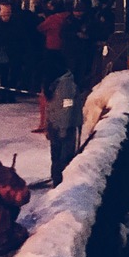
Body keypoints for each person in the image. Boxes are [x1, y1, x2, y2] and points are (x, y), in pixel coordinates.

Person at [43, 54, 79, 186]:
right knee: (55, 156)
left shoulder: (66, 84)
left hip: (65, 126)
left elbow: (67, 107)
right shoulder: (52, 81)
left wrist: (64, 128)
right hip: (54, 124)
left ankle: (63, 184)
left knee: (64, 158)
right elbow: (50, 105)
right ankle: (56, 180)